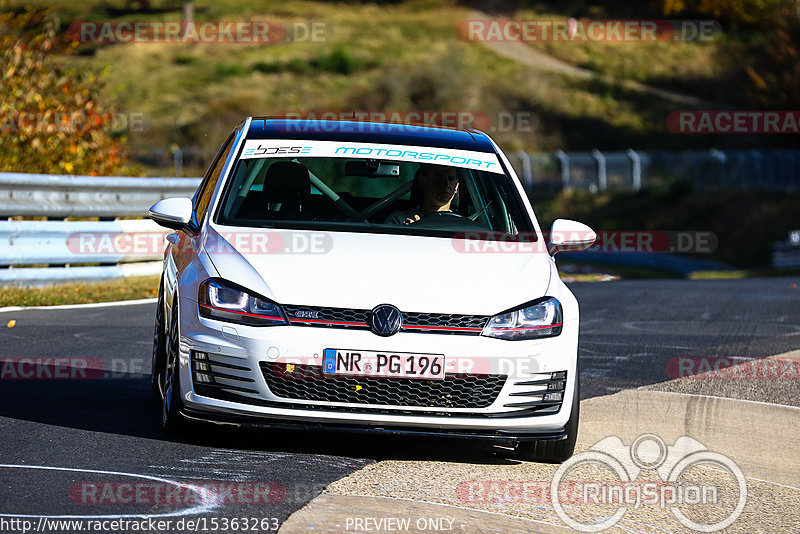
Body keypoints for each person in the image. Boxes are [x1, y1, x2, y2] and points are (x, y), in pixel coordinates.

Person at [384, 163, 459, 225]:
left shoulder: (462, 225)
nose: (446, 184)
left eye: (451, 179)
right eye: (439, 179)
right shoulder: (398, 221)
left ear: (456, 186)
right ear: (422, 181)